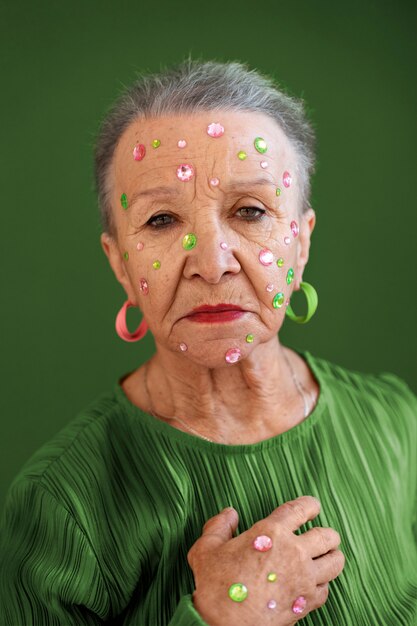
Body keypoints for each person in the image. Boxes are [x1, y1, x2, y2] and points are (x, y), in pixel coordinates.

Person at [0, 59, 415, 626]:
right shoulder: (60, 505)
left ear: (301, 244)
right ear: (121, 264)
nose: (213, 263)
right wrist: (219, 616)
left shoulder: (396, 422)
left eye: (250, 211)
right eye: (162, 220)